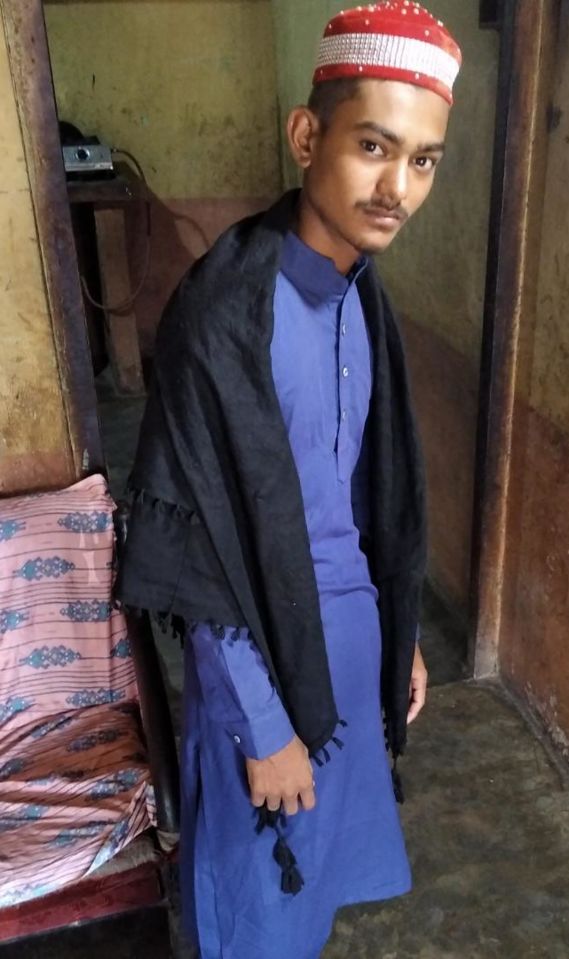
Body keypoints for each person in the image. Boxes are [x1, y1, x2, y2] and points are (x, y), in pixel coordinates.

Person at [115, 3, 462, 956]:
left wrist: (401, 635)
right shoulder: (224, 316)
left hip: (348, 645)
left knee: (311, 900)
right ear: (308, 137)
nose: (397, 187)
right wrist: (262, 729)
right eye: (373, 147)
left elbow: (368, 501)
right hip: (259, 670)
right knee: (255, 909)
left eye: (424, 160)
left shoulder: (361, 296)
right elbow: (198, 549)